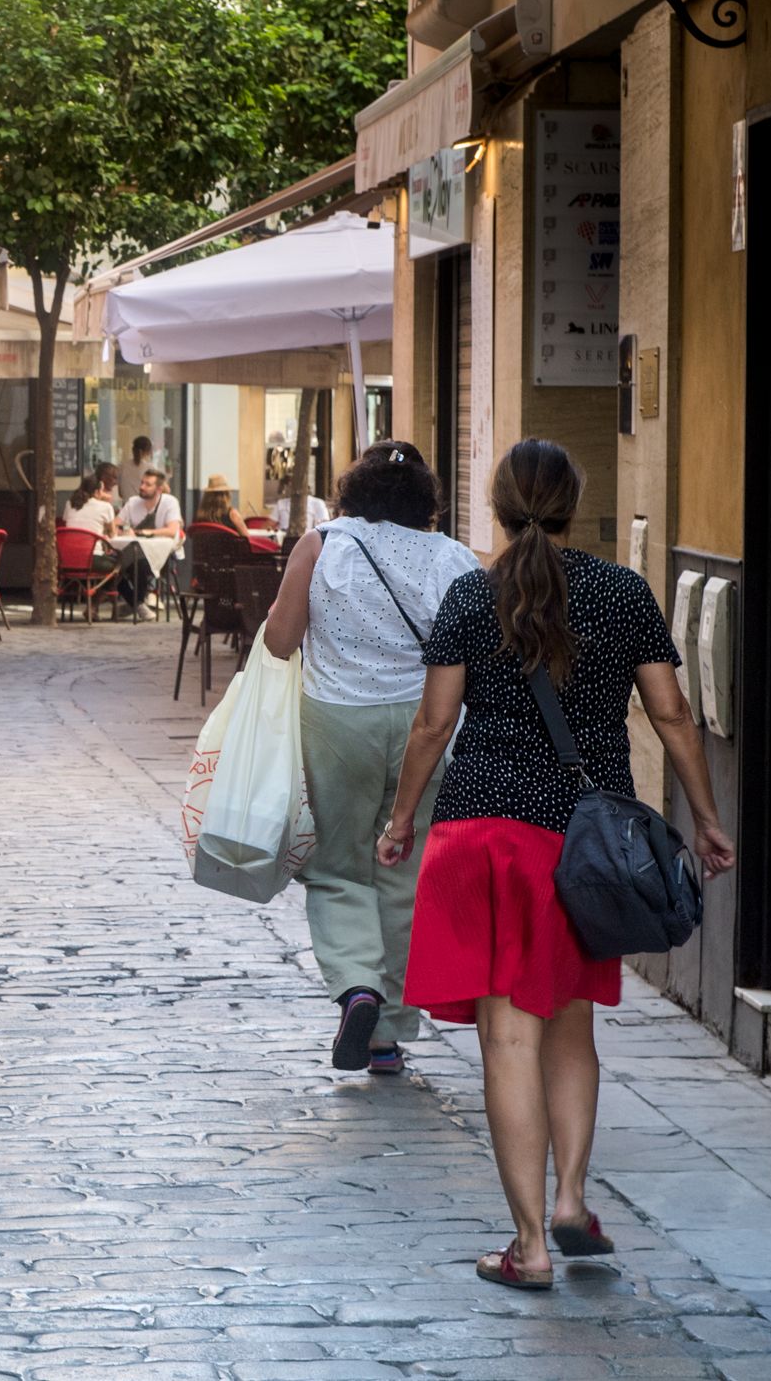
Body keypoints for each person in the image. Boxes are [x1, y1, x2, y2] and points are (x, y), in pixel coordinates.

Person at [379, 439, 735, 1291]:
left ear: (497, 508)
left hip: (486, 839)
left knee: (509, 1037)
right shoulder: (621, 592)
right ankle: (572, 1200)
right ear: (577, 504)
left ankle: (530, 1245)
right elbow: (673, 714)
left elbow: (432, 726)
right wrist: (709, 820)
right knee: (571, 1024)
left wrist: (400, 819)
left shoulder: (471, 595)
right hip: (584, 847)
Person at [261, 443, 481, 1075]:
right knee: (402, 864)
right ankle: (386, 1034)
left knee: (337, 867)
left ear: (353, 489)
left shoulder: (323, 543)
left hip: (337, 721)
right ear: (425, 498)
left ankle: (357, 986)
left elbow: (280, 638)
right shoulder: (454, 558)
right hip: (428, 725)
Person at [62, 474, 148, 611]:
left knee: (115, 567)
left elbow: (72, 526)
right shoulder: (104, 507)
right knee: (120, 566)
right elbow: (112, 534)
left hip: (67, 559)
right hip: (92, 559)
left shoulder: (70, 503)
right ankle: (135, 605)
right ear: (96, 492)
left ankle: (94, 607)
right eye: (102, 491)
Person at [117, 466, 184, 615]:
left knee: (138, 563)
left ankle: (134, 605)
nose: (142, 487)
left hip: (164, 556)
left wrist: (145, 532)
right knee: (113, 567)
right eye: (142, 483)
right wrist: (124, 530)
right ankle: (138, 604)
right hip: (135, 553)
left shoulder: (169, 502)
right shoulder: (133, 502)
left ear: (159, 489)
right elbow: (116, 524)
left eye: (148, 484)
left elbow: (172, 530)